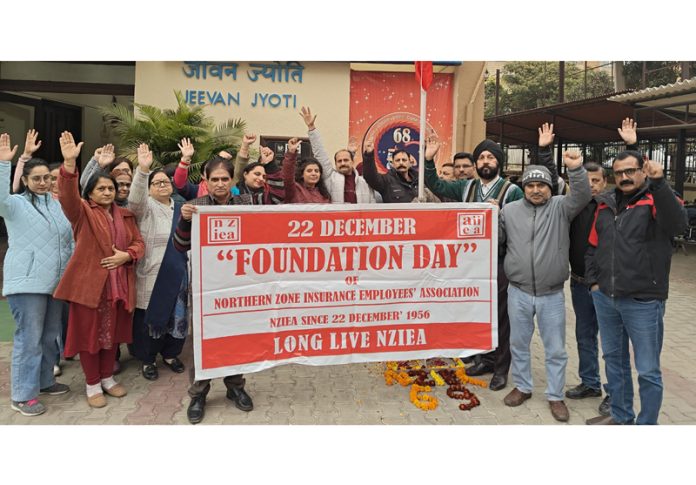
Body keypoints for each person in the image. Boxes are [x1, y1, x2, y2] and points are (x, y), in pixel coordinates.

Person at [584, 149, 688, 425]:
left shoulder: (657, 199)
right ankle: (620, 416)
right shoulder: (605, 204)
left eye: (631, 171)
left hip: (643, 301)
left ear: (643, 171)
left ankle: (646, 425)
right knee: (614, 362)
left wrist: (660, 182)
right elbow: (593, 246)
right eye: (619, 173)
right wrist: (595, 283)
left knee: (647, 370)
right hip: (606, 298)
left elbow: (678, 224)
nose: (625, 177)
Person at [54, 131, 145, 409]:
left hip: (118, 287)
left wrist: (125, 256)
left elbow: (138, 244)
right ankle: (92, 384)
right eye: (101, 189)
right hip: (90, 288)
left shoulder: (126, 215)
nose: (107, 192)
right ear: (90, 193)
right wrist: (69, 165)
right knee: (89, 338)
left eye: (110, 189)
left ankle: (107, 379)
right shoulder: (82, 213)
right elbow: (68, 198)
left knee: (112, 336)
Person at [424, 136, 523, 391]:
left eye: (490, 157)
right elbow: (435, 184)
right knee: (478, 313)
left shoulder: (512, 191)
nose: (486, 161)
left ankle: (501, 368)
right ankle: (485, 359)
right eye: (482, 157)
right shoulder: (467, 187)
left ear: (498, 162)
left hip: (499, 261)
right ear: (476, 163)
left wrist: (498, 212)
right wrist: (428, 159)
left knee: (501, 318)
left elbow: (519, 228)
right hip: (472, 262)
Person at [499, 151, 591, 422]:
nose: (536, 190)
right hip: (518, 291)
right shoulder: (510, 210)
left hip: (551, 294)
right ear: (523, 187)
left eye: (541, 185)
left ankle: (555, 395)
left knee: (555, 349)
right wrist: (490, 216)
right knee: (519, 343)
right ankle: (523, 386)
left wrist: (576, 169)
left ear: (550, 188)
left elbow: (583, 194)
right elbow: (499, 240)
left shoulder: (562, 207)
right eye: (531, 185)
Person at [564, 119, 640, 414]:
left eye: (596, 180)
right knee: (584, 335)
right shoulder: (574, 205)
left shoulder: (613, 204)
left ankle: (614, 393)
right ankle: (590, 382)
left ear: (605, 182)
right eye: (587, 181)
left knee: (612, 343)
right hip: (579, 282)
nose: (592, 186)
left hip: (606, 286)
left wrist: (632, 146)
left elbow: (633, 177)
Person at [173, 157, 254, 424]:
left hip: (237, 286)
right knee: (203, 342)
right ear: (205, 182)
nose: (220, 184)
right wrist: (185, 222)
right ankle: (198, 393)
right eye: (214, 179)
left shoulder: (246, 204)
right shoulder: (195, 207)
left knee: (236, 338)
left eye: (225, 179)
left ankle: (235, 386)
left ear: (232, 182)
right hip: (206, 288)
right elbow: (180, 246)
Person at [1, 133, 74, 416]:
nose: (43, 182)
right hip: (27, 283)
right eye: (37, 178)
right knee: (29, 339)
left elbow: (68, 241)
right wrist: (4, 164)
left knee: (48, 337)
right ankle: (22, 395)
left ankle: (45, 382)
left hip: (55, 283)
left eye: (47, 178)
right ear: (27, 180)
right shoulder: (14, 204)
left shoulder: (57, 206)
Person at [128, 143, 189, 381]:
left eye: (166, 181)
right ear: (150, 188)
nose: (163, 185)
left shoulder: (183, 207)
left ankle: (171, 354)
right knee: (150, 318)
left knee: (177, 316)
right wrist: (143, 171)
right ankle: (148, 359)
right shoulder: (145, 208)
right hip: (153, 273)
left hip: (179, 274)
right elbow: (134, 201)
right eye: (157, 182)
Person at [299, 106, 377, 204]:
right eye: (339, 161)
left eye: (346, 160)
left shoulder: (364, 182)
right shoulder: (330, 177)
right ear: (335, 164)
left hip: (358, 219)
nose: (343, 163)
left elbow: (373, 206)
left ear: (352, 161)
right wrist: (311, 128)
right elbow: (320, 153)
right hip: (335, 219)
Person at [282, 137, 331, 204]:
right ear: (302, 174)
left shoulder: (324, 194)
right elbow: (287, 176)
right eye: (309, 171)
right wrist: (291, 153)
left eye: (316, 171)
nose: (313, 173)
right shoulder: (294, 190)